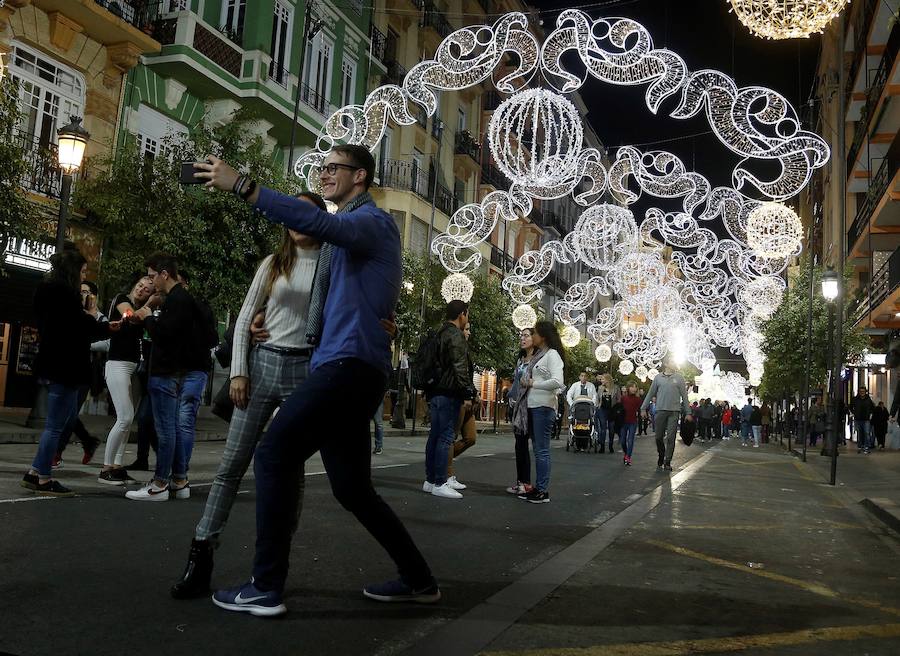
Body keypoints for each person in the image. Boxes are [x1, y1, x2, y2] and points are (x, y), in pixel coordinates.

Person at [196, 145, 439, 613]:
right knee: (352, 488)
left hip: (347, 367)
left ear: (360, 177)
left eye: (334, 168)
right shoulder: (344, 244)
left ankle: (265, 586)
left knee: (273, 454)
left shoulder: (370, 222)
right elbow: (332, 287)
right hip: (346, 364)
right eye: (321, 167)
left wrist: (244, 186)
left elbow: (320, 224)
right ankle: (419, 578)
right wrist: (261, 324)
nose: (324, 174)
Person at [170, 192, 330, 599]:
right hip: (261, 368)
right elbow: (244, 319)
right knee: (231, 465)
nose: (295, 220)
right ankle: (200, 555)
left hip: (304, 371)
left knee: (290, 473)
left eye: (304, 213)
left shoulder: (333, 264)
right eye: (290, 213)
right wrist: (239, 371)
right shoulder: (275, 263)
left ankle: (275, 564)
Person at [21, 249, 119, 496]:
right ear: (73, 271)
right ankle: (43, 478)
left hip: (51, 360)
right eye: (83, 271)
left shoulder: (44, 290)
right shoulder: (66, 294)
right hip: (67, 364)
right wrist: (106, 327)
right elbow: (79, 327)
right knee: (56, 425)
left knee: (56, 423)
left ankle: (35, 471)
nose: (84, 276)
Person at [125, 253, 210, 501]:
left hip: (165, 371)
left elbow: (165, 336)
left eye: (153, 277)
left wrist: (148, 317)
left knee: (166, 430)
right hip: (174, 371)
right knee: (171, 427)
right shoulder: (182, 299)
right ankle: (178, 479)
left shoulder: (177, 300)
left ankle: (160, 483)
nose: (151, 283)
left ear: (165, 274)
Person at [97, 274, 154, 485]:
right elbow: (130, 316)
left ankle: (117, 466)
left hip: (135, 368)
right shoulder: (123, 299)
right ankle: (105, 468)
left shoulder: (147, 311)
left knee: (129, 420)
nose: (141, 290)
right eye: (139, 285)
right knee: (124, 417)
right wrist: (150, 304)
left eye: (147, 289)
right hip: (117, 365)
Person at [423, 301, 475, 500]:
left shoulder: (439, 332)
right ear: (462, 314)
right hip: (448, 392)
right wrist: (467, 391)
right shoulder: (455, 335)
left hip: (435, 391)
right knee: (445, 437)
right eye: (467, 315)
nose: (467, 319)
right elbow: (459, 366)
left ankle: (430, 480)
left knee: (435, 436)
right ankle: (440, 482)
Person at [513, 321, 564, 503]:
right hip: (534, 407)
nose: (531, 336)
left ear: (542, 336)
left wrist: (534, 383)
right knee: (537, 449)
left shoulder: (552, 355)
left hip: (544, 407)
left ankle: (542, 490)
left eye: (534, 333)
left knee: (542, 451)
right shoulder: (542, 356)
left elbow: (558, 381)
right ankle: (538, 487)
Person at [640, 358, 690, 472]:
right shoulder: (658, 378)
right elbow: (650, 393)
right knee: (658, 437)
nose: (674, 363)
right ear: (666, 363)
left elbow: (685, 396)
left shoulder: (679, 378)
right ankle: (661, 455)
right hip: (660, 410)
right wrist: (643, 408)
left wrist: (688, 412)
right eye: (672, 361)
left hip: (674, 411)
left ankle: (667, 461)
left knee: (671, 437)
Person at [446, 323, 477, 488]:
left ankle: (441, 459)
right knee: (450, 437)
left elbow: (468, 376)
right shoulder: (455, 347)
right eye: (466, 329)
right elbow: (458, 375)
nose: (469, 333)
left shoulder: (465, 349)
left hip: (468, 398)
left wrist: (474, 394)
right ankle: (447, 473)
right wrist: (466, 395)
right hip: (459, 399)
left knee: (471, 438)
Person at [507, 329, 535, 496]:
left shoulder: (538, 360)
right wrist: (511, 396)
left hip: (532, 406)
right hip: (518, 407)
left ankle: (529, 484)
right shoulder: (520, 360)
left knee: (534, 447)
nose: (522, 338)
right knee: (520, 445)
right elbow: (516, 382)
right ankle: (522, 482)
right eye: (521, 335)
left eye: (526, 335)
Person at [596, 373, 620, 454]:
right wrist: (597, 406)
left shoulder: (615, 388)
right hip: (602, 410)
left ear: (607, 380)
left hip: (612, 410)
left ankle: (610, 445)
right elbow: (597, 399)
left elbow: (618, 400)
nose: (601, 380)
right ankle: (602, 446)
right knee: (603, 428)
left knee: (611, 429)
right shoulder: (600, 388)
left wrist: (617, 410)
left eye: (603, 379)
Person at [619, 383, 641, 466]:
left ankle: (628, 457)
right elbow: (619, 408)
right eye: (632, 387)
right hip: (623, 421)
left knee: (630, 440)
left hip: (633, 421)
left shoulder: (638, 399)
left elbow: (640, 409)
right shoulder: (623, 398)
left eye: (635, 387)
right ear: (628, 388)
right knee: (622, 441)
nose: (633, 389)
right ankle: (626, 453)